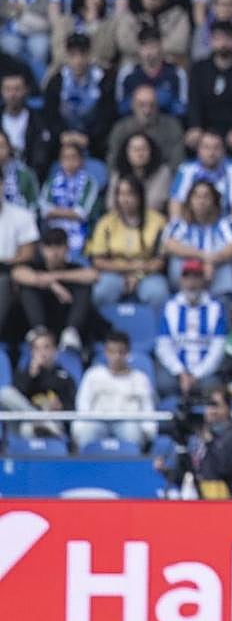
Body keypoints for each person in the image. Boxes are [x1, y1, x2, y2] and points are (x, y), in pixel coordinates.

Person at [87, 174, 169, 307]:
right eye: (121, 194)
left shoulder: (158, 221)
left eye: (130, 194)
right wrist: (131, 268)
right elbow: (98, 261)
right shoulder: (106, 222)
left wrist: (138, 276)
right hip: (114, 273)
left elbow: (160, 261)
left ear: (140, 196)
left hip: (148, 275)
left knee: (158, 293)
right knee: (100, 292)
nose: (125, 199)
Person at [155, 258, 227, 397]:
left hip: (205, 371)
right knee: (163, 384)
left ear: (203, 281)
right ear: (181, 280)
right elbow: (163, 345)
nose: (192, 283)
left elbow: (218, 348)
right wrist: (181, 372)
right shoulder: (170, 307)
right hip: (176, 371)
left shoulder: (216, 308)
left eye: (196, 277)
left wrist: (196, 374)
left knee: (214, 386)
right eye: (187, 277)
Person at [73, 329, 157, 448]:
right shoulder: (93, 375)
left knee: (132, 433)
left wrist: (148, 432)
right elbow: (83, 402)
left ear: (128, 353)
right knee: (87, 433)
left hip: (128, 421)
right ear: (106, 353)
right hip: (98, 420)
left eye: (121, 352)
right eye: (112, 352)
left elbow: (147, 406)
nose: (116, 357)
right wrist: (80, 427)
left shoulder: (140, 378)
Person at [185, 21, 232, 157]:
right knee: (191, 140)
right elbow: (194, 101)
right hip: (205, 126)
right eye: (218, 38)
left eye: (227, 38)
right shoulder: (199, 69)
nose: (223, 43)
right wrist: (195, 126)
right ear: (211, 41)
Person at [162, 179, 232, 297]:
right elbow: (169, 244)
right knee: (177, 261)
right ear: (189, 201)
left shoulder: (227, 224)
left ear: (214, 201)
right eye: (197, 197)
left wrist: (213, 260)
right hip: (185, 280)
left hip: (217, 275)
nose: (201, 201)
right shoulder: (179, 224)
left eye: (206, 197)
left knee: (227, 265)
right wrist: (203, 257)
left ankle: (224, 302)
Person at [43, 34, 116, 161]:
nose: (78, 61)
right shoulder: (56, 82)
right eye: (73, 55)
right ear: (67, 56)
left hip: (95, 142)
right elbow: (50, 115)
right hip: (62, 139)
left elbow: (107, 116)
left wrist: (89, 138)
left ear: (89, 54)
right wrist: (63, 135)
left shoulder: (104, 80)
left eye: (82, 54)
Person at [0, 326, 75, 440]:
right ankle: (41, 421)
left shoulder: (64, 377)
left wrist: (60, 406)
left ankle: (43, 423)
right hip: (28, 422)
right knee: (4, 393)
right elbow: (15, 398)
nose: (41, 353)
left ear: (54, 351)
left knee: (27, 429)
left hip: (55, 422)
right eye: (37, 348)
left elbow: (72, 409)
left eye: (46, 347)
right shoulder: (25, 374)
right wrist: (31, 375)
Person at [169, 130, 232, 227]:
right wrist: (179, 231)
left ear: (223, 150)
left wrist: (228, 235)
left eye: (216, 148)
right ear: (198, 150)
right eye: (206, 148)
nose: (211, 153)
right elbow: (176, 203)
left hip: (224, 229)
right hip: (191, 228)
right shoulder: (186, 169)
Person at [39, 141, 102, 261]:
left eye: (73, 157)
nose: (69, 161)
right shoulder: (51, 181)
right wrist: (70, 213)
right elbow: (44, 211)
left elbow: (82, 213)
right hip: (53, 232)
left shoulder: (89, 183)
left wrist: (56, 212)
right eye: (65, 157)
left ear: (82, 160)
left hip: (81, 235)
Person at [107, 83, 185, 175]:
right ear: (133, 105)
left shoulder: (172, 126)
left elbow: (177, 161)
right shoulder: (121, 128)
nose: (147, 111)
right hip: (128, 180)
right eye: (142, 105)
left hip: (162, 180)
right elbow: (113, 161)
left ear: (157, 106)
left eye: (151, 105)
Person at [0, 190, 39, 332]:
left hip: (12, 271)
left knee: (7, 281)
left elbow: (28, 254)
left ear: (2, 185)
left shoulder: (22, 215)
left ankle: (39, 331)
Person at [1, 74, 52, 179]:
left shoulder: (38, 121)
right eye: (8, 89)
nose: (12, 94)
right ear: (2, 91)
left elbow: (41, 156)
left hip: (29, 177)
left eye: (17, 89)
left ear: (26, 90)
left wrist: (28, 177)